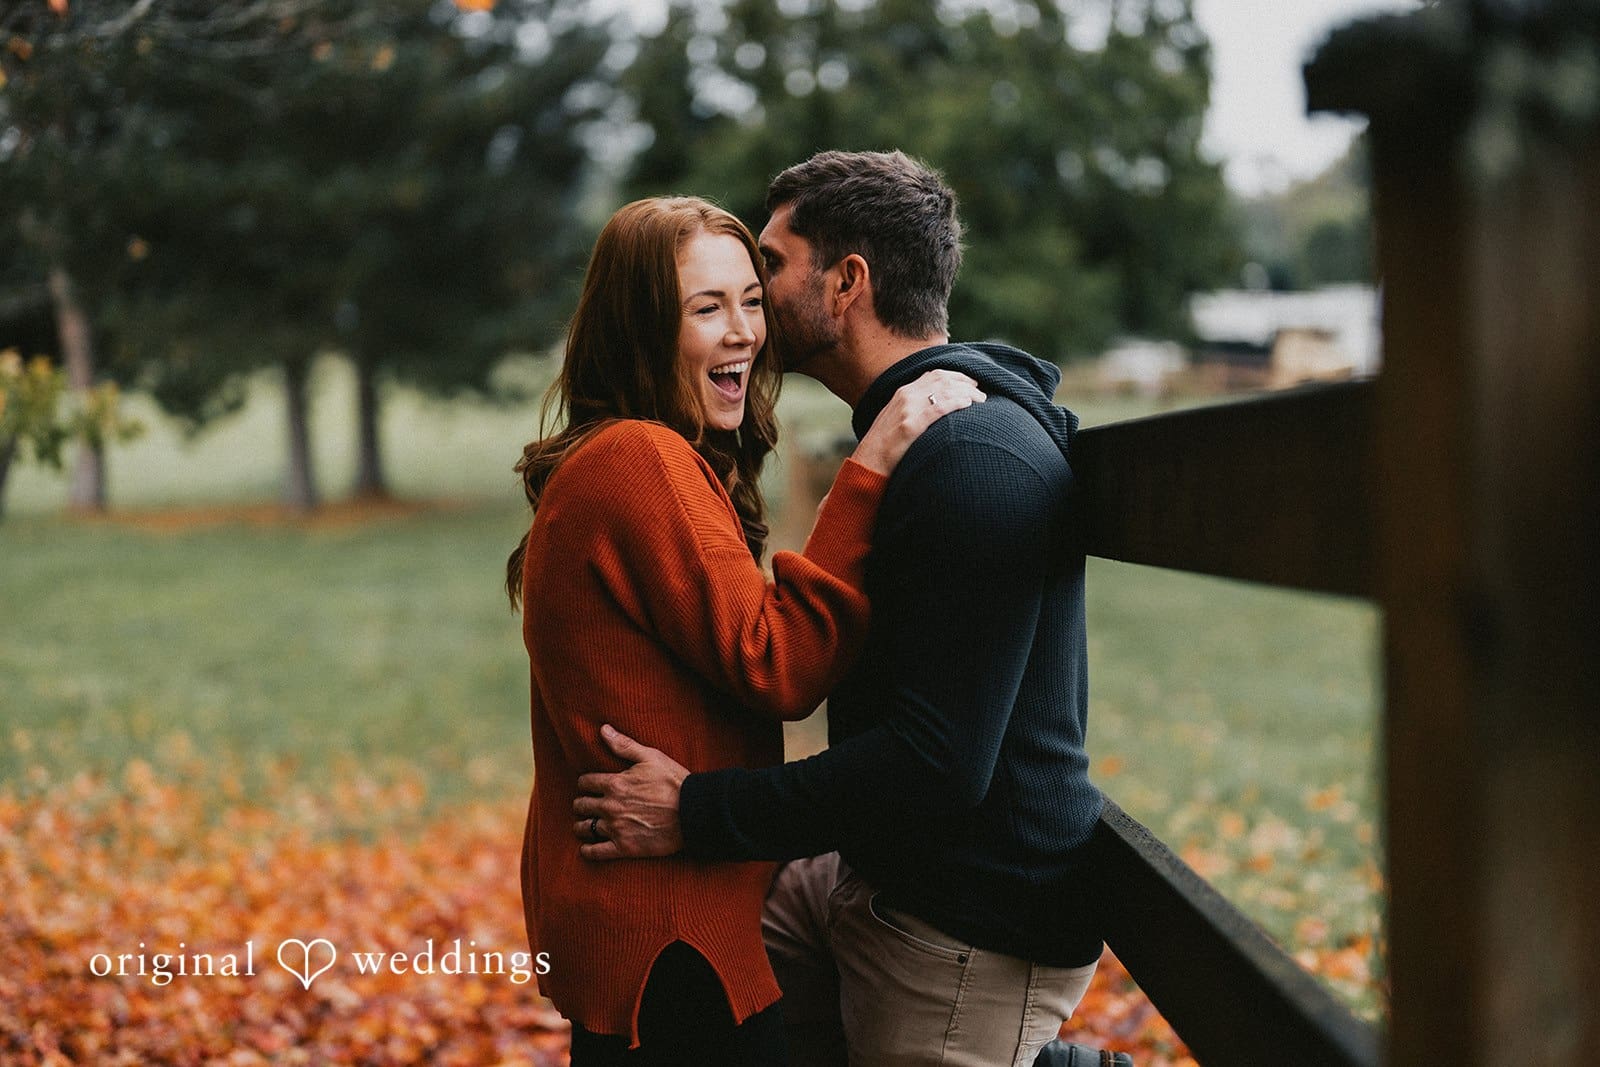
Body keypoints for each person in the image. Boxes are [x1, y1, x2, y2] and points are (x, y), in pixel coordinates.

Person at [573, 151, 1109, 1067]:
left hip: (966, 923)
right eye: (716, 301)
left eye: (768, 273)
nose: (752, 308)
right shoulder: (913, 440)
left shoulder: (974, 457)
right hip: (876, 878)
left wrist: (696, 812)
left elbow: (933, 769)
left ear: (847, 282)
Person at [506, 194, 983, 1066]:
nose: (744, 332)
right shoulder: (638, 461)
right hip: (672, 932)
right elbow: (779, 663)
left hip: (664, 915)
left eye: (751, 300)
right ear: (644, 328)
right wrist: (869, 466)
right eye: (705, 307)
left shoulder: (636, 456)